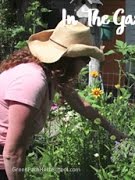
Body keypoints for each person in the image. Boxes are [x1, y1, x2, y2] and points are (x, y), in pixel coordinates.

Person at [0, 20, 126, 179]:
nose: (87, 65)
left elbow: (81, 105)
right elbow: (13, 152)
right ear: (69, 60)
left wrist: (114, 131)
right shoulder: (32, 80)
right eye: (86, 59)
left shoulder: (51, 75)